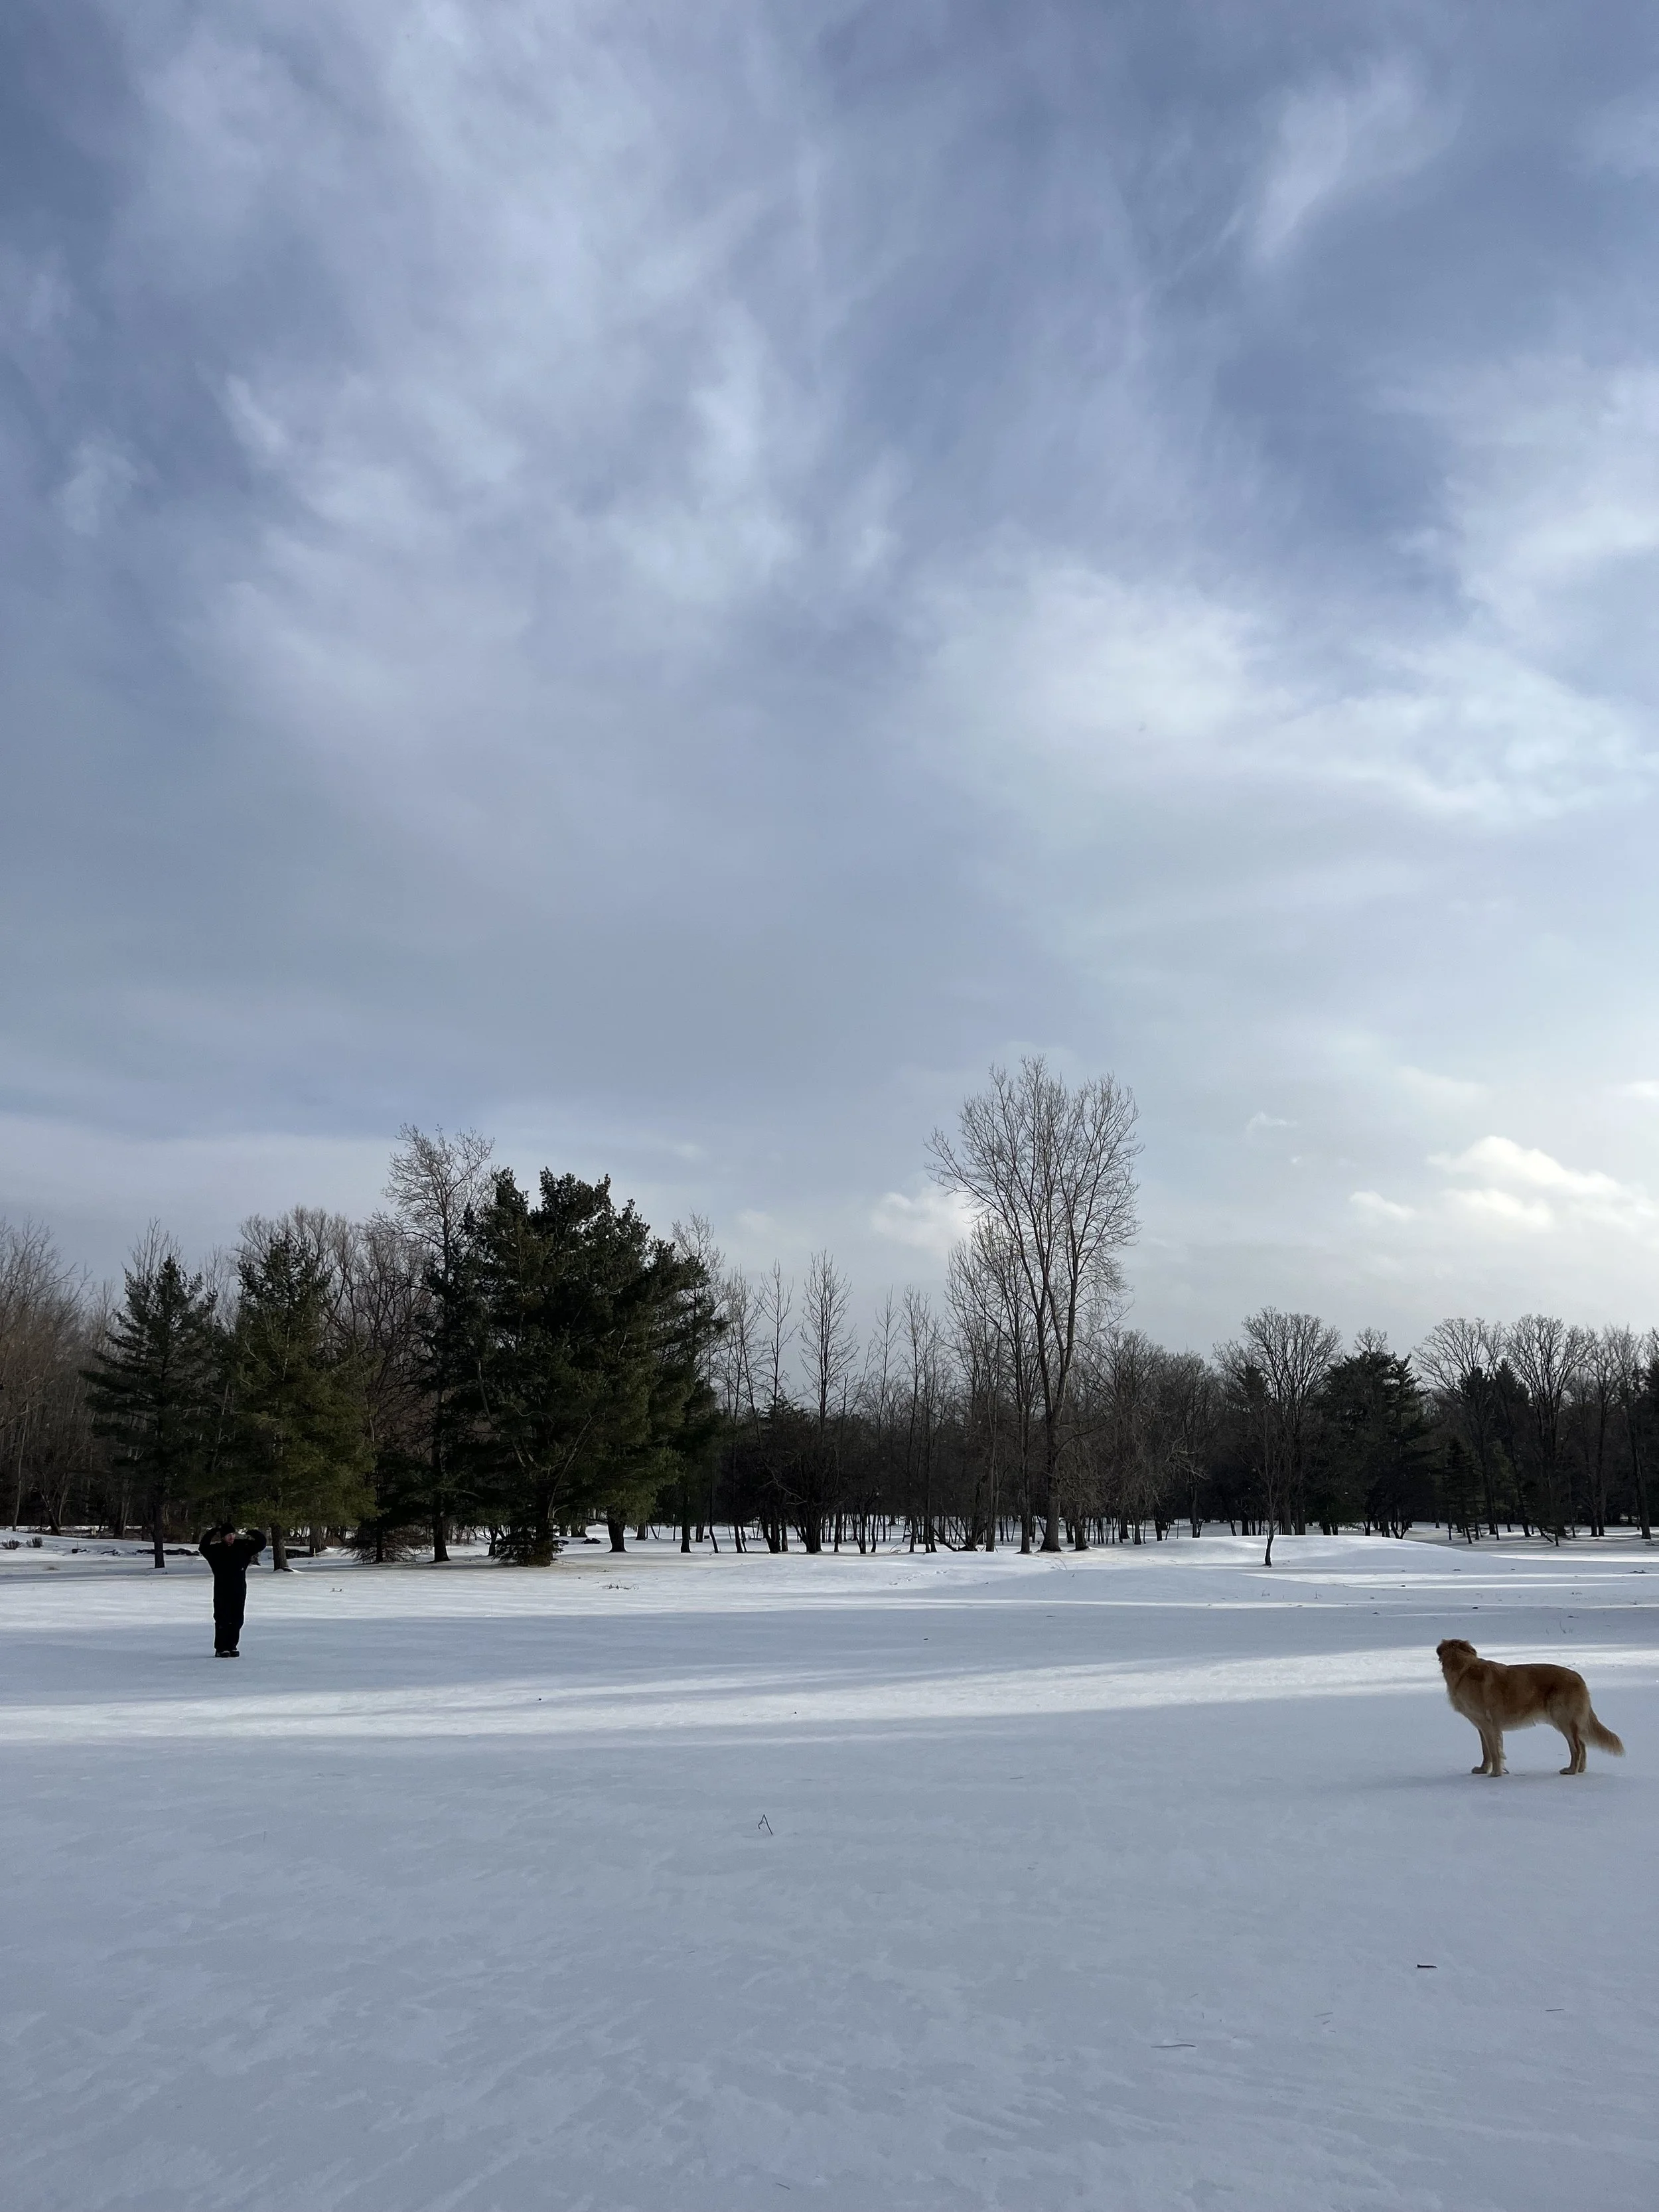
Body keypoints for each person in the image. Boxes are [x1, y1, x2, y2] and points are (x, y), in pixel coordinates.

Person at [198, 1525, 265, 1656]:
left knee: (237, 1619)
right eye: (228, 1535)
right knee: (222, 1618)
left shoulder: (242, 1547)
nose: (232, 1537)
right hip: (222, 1589)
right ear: (223, 1537)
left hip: (239, 1588)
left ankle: (232, 1646)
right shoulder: (216, 1550)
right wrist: (213, 1532)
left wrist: (253, 1532)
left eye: (233, 1535)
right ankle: (221, 1648)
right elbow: (203, 1547)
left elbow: (261, 1544)